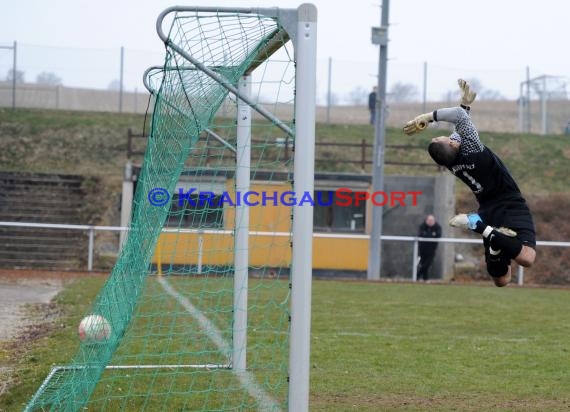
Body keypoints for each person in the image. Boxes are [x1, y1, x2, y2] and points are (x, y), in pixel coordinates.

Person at [403, 79, 536, 287]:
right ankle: (477, 225)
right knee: (527, 258)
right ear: (453, 144)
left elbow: (460, 126)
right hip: (510, 203)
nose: (447, 136)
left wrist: (465, 105)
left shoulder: (450, 161)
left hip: (487, 208)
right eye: (444, 137)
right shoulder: (472, 149)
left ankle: (493, 243)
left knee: (502, 280)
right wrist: (427, 118)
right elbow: (459, 119)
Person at [417, 214, 442, 281]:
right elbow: (421, 234)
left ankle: (417, 275)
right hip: (422, 249)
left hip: (432, 250)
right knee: (423, 263)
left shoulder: (437, 227)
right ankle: (425, 279)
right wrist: (432, 234)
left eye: (432, 220)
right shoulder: (422, 226)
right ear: (426, 220)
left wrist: (428, 234)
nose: (430, 222)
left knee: (427, 264)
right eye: (429, 220)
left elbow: (438, 235)